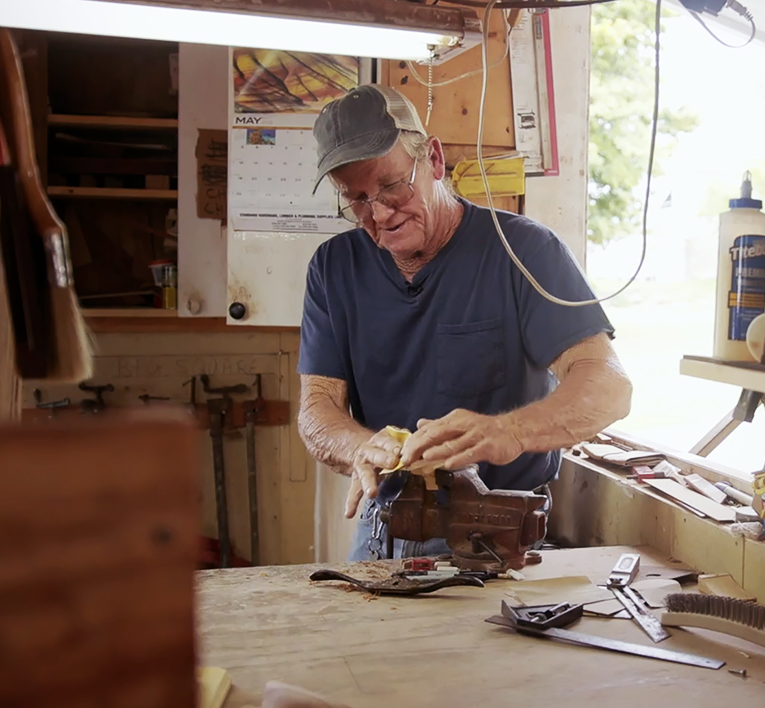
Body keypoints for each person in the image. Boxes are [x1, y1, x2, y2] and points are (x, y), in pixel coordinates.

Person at [296, 84, 632, 561]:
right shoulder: (333, 267)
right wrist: (359, 448)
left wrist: (509, 433)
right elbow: (316, 410)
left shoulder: (524, 251)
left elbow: (609, 385)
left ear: (433, 159)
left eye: (391, 185)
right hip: (382, 525)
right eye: (357, 199)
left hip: (494, 533)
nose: (379, 213)